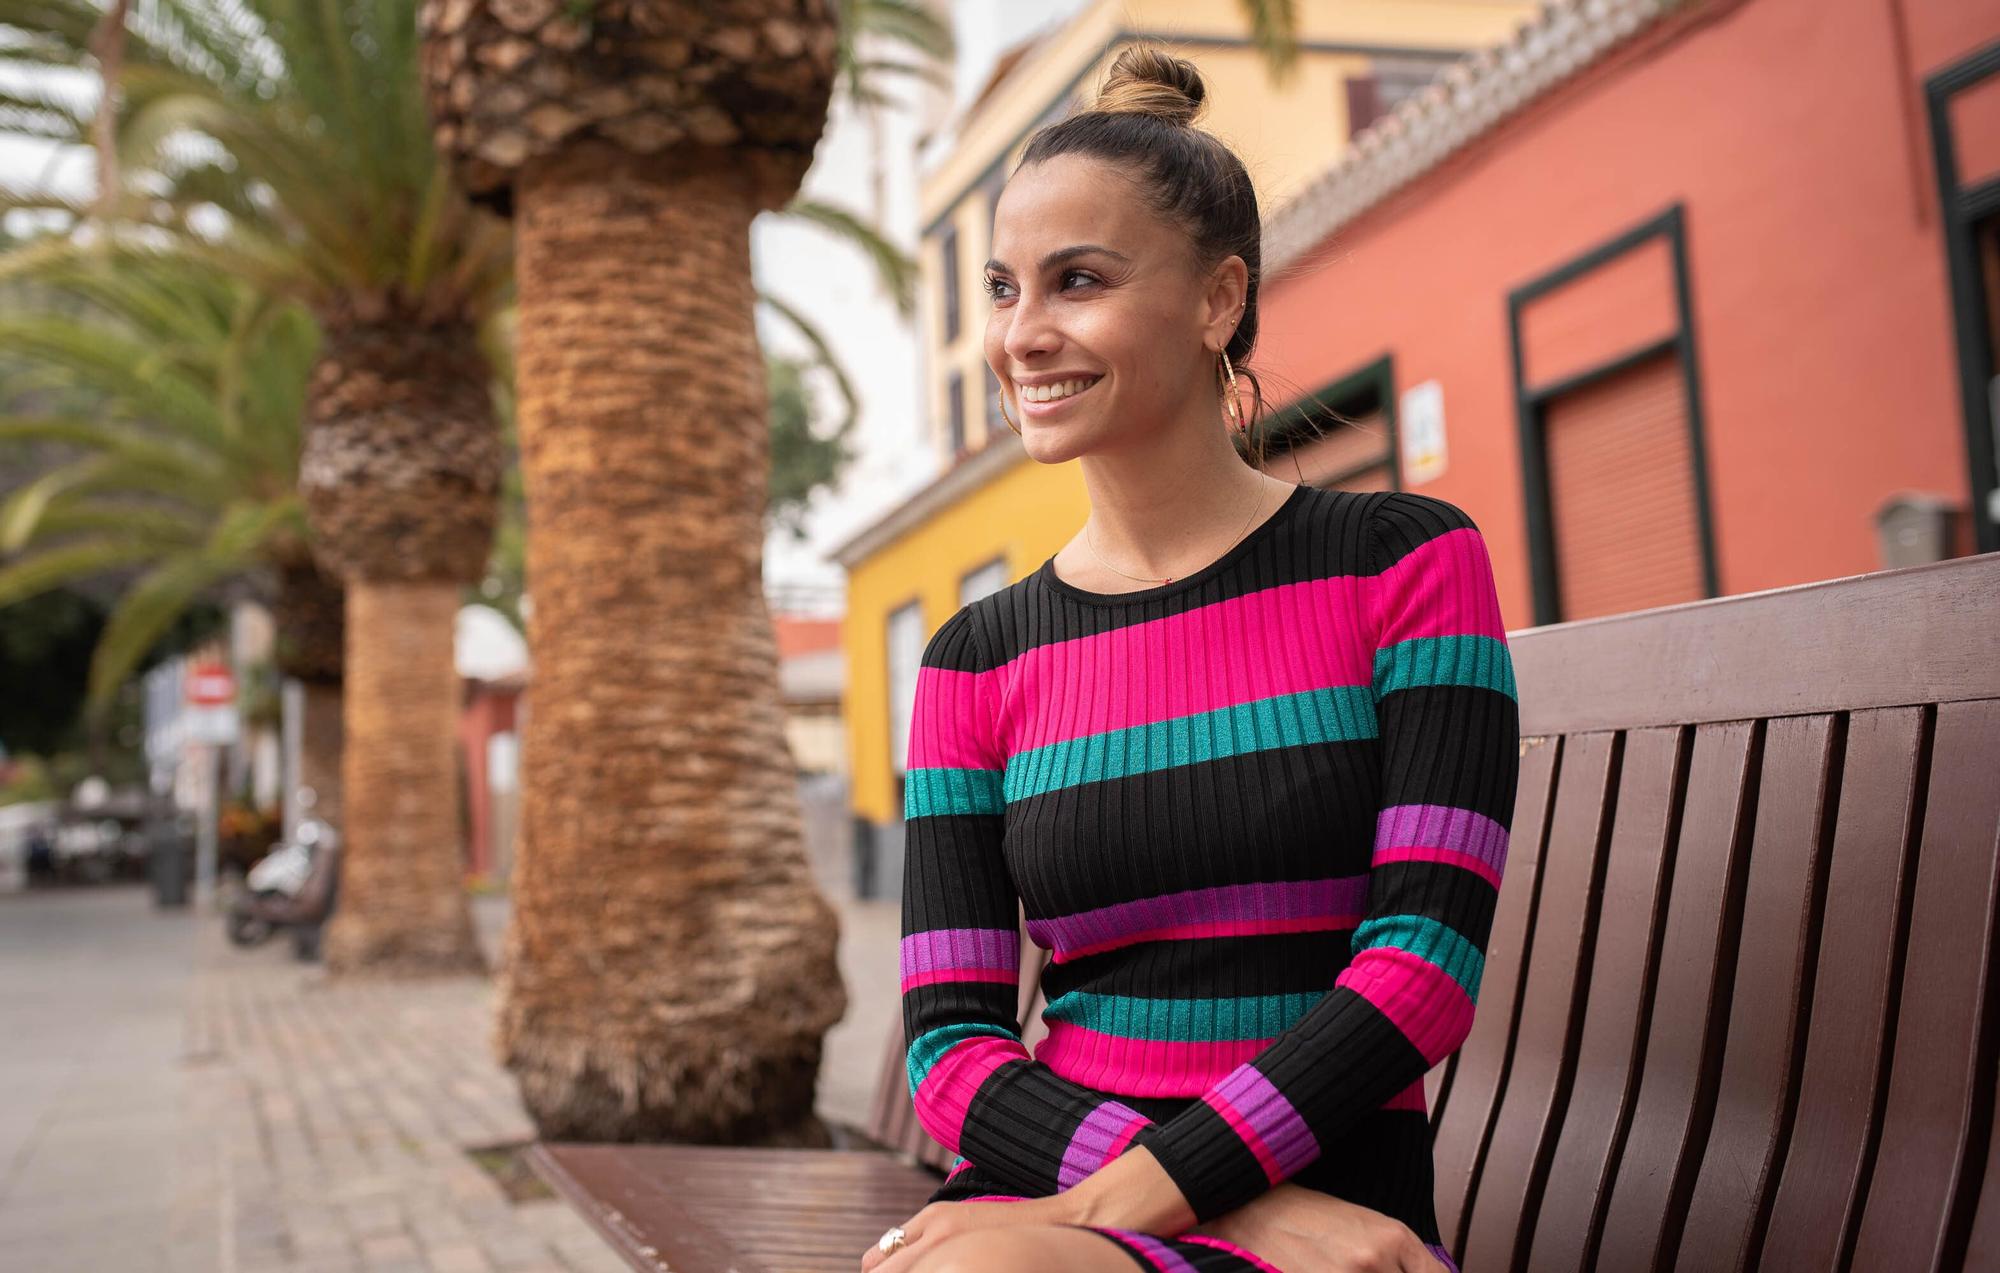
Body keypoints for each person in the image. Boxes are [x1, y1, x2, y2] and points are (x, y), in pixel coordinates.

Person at [864, 44, 1520, 1273]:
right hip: (1116, 1202)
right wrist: (1220, 1204)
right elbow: (948, 1046)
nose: (1022, 334)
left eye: (1078, 281)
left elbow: (1420, 968)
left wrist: (1149, 1200)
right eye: (1003, 288)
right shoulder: (972, 657)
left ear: (1217, 300)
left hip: (1335, 1202)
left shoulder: (1401, 566)